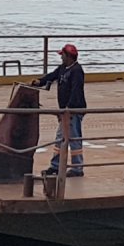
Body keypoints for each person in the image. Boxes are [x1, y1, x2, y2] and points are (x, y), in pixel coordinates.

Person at [34, 43, 86, 176]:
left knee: (74, 138)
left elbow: (76, 91)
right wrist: (39, 81)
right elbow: (52, 76)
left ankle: (77, 168)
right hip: (64, 111)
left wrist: (68, 109)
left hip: (73, 111)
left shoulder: (77, 71)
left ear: (68, 56)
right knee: (60, 138)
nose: (61, 57)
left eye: (62, 55)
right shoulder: (62, 68)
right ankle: (55, 166)